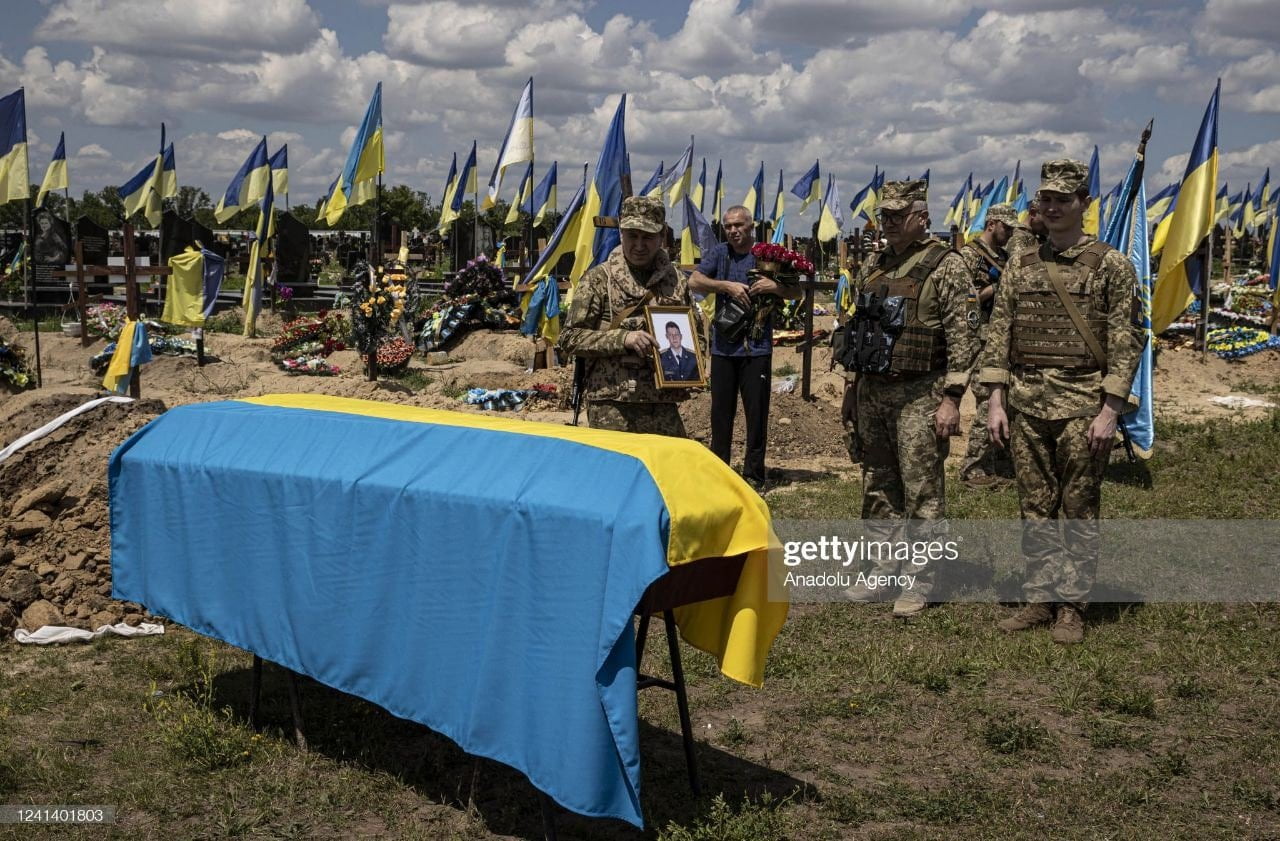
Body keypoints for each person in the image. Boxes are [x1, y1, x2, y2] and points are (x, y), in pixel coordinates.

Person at [979, 159, 1144, 644]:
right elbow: (1000, 332)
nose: (1050, 207)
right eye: (1044, 199)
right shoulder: (1021, 263)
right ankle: (1038, 598)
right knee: (1035, 504)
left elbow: (1125, 340)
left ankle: (1072, 605)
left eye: (1061, 199)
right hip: (1027, 404)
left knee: (1078, 507)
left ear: (1082, 204)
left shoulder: (1112, 265)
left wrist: (1111, 410)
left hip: (1082, 405)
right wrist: (995, 400)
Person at [840, 180, 980, 618]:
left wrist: (952, 398)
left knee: (922, 491)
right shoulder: (873, 265)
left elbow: (965, 336)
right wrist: (850, 388)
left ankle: (921, 581)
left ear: (922, 216)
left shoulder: (946, 265)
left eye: (899, 216)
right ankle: (881, 573)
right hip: (872, 391)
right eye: (885, 216)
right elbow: (859, 329)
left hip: (921, 393)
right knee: (877, 485)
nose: (890, 224)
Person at [558, 196, 693, 436]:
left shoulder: (676, 281)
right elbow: (569, 338)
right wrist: (623, 339)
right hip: (612, 404)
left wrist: (690, 367)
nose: (639, 245)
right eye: (633, 235)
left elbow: (695, 334)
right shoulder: (599, 279)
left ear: (661, 237)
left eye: (648, 237)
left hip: (662, 402)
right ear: (621, 234)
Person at [689, 205, 801, 488]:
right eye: (728, 226)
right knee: (721, 414)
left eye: (738, 225)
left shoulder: (766, 255)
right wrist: (726, 286)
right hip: (724, 348)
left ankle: (753, 474)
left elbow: (795, 290)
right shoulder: (719, 253)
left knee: (756, 414)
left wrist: (772, 287)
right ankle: (719, 472)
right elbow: (694, 280)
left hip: (757, 347)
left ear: (751, 226)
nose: (733, 231)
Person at [958, 203, 1018, 488]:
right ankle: (975, 467)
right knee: (986, 404)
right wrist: (998, 287)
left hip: (1000, 338)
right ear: (992, 223)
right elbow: (963, 302)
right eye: (1006, 227)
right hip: (977, 338)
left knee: (1005, 401)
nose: (1009, 233)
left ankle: (1003, 465)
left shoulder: (1004, 257)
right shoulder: (969, 257)